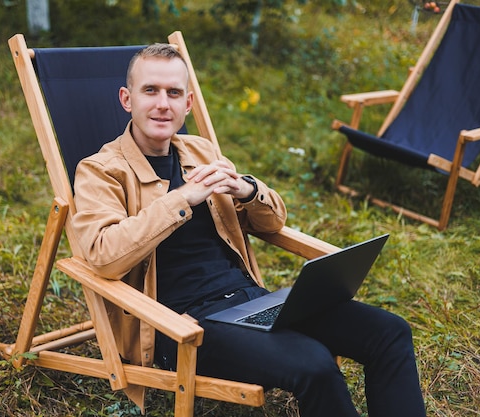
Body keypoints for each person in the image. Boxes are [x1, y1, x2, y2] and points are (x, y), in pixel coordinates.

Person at [72, 43, 426, 416]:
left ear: (188, 104)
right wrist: (182, 198)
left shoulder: (201, 151)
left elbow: (273, 223)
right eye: (151, 91)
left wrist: (248, 189)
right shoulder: (101, 170)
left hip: (251, 302)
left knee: (390, 332)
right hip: (183, 326)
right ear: (127, 99)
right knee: (315, 365)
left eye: (174, 93)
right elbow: (103, 255)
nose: (163, 104)